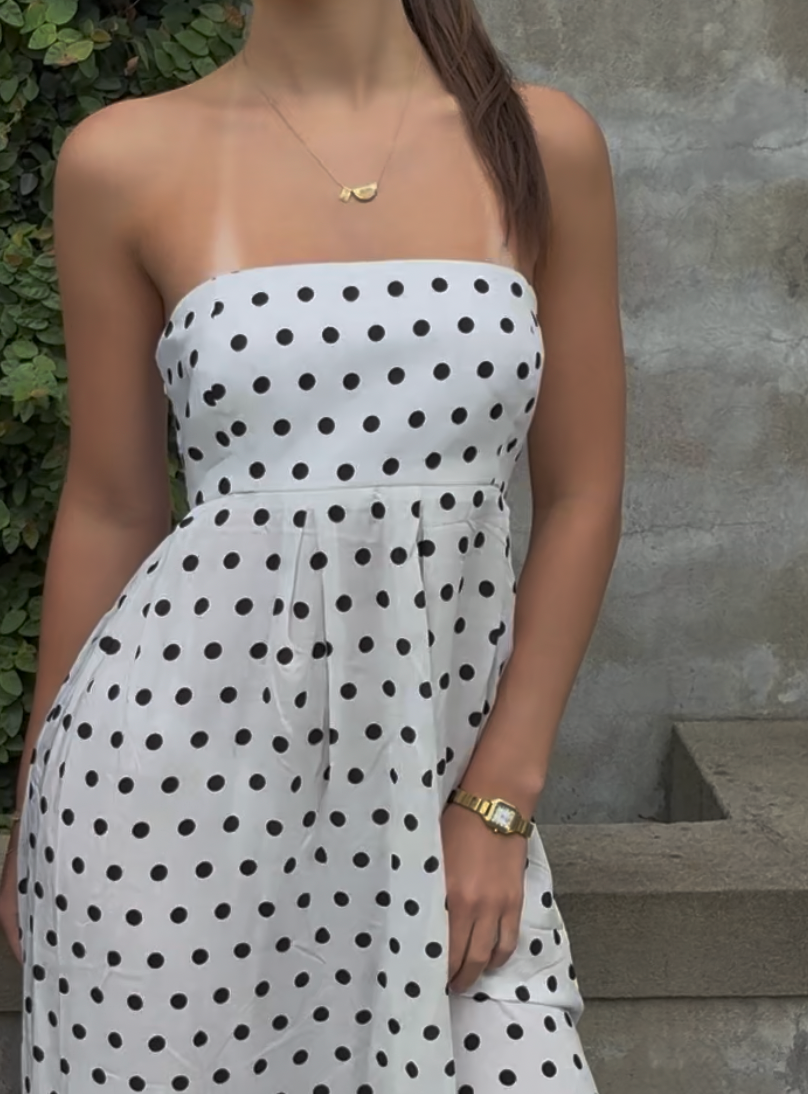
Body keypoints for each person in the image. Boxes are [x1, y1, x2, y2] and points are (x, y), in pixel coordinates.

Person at [0, 0, 625, 1090]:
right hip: (159, 809)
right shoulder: (122, 158)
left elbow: (583, 495)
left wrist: (498, 802)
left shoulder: (539, 143)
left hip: (439, 793)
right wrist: (32, 807)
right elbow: (110, 505)